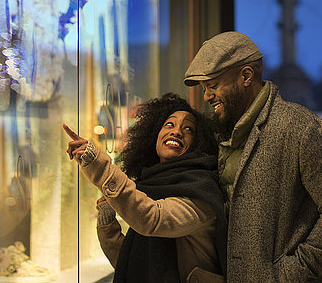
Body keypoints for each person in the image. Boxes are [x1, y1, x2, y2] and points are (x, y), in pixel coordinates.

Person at [183, 31, 322, 282]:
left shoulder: (301, 128)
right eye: (204, 88)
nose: (207, 96)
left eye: (212, 86)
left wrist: (293, 274)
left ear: (246, 76)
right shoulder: (223, 136)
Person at [63, 93, 227, 283]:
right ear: (154, 136)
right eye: (169, 124)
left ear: (198, 143)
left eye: (188, 128)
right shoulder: (149, 184)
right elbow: (129, 262)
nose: (176, 131)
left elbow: (152, 219)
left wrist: (98, 164)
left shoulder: (201, 190)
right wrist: (108, 221)